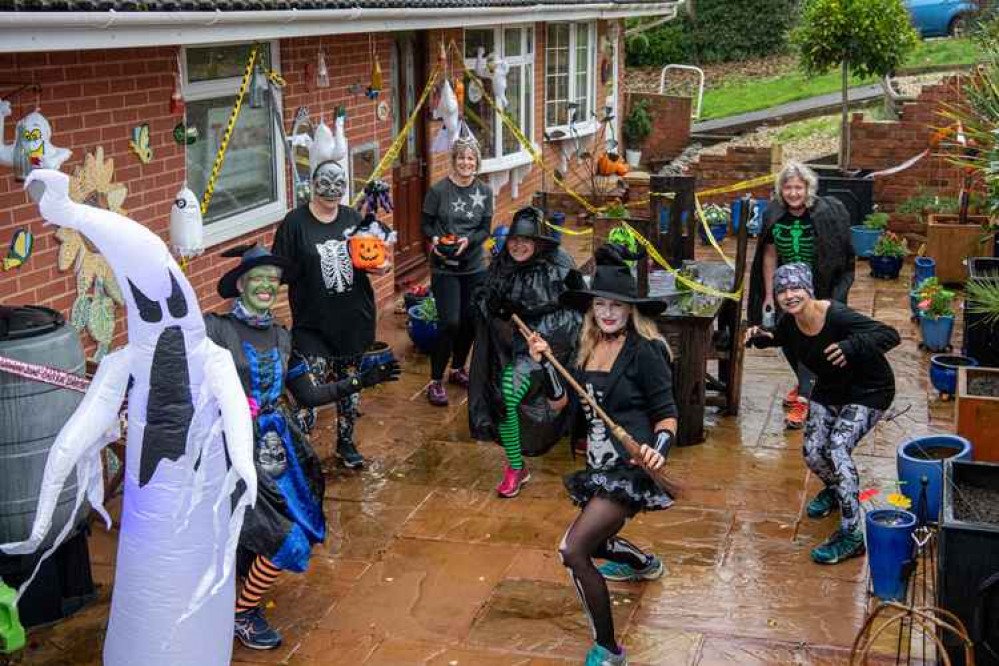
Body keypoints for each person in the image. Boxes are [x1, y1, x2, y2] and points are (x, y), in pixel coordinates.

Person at [206, 245, 401, 649]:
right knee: (282, 536)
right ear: (240, 285)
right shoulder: (215, 330)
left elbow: (307, 395)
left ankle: (240, 593)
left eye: (272, 280)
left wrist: (360, 382)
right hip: (233, 446)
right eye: (257, 279)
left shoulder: (281, 335)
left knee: (294, 521)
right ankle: (242, 613)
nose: (266, 286)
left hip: (281, 443)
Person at [528, 246, 678, 666]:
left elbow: (668, 417)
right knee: (597, 542)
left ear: (631, 310)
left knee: (573, 550)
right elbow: (561, 404)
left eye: (616, 306)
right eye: (600, 305)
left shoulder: (645, 351)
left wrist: (656, 450)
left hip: (630, 469)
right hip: (596, 466)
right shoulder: (586, 348)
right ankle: (643, 564)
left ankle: (609, 650)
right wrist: (545, 365)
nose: (608, 313)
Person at [745, 263, 900, 565]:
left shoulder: (837, 315)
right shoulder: (791, 322)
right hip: (831, 388)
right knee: (813, 453)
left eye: (795, 288)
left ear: (809, 289)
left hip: (869, 389)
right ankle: (836, 488)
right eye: (782, 291)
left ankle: (852, 535)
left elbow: (889, 334)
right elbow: (782, 335)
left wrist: (850, 346)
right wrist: (762, 337)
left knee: (838, 446)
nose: (789, 295)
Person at [272, 157, 383, 469]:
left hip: (354, 321)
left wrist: (379, 267)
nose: (332, 190)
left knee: (350, 388)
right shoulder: (294, 224)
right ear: (313, 186)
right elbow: (279, 271)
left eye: (339, 184)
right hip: (312, 326)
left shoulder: (352, 218)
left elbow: (370, 259)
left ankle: (345, 442)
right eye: (325, 183)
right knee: (310, 394)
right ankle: (298, 454)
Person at [468, 206, 582, 498]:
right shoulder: (501, 264)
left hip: (548, 346)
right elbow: (485, 298)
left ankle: (572, 431)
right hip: (511, 349)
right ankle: (515, 466)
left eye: (526, 240)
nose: (518, 245)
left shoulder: (559, 265)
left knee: (535, 396)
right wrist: (493, 307)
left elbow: (579, 307)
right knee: (505, 397)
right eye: (514, 239)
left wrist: (544, 335)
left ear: (539, 242)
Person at [747, 161, 855, 429]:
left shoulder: (825, 213)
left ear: (808, 188)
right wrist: (769, 293)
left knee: (810, 339)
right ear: (780, 189)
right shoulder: (773, 213)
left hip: (817, 287)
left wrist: (832, 293)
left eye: (798, 187)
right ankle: (806, 383)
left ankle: (806, 400)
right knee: (787, 338)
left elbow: (839, 252)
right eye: (788, 187)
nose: (793, 193)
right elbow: (769, 253)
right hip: (786, 288)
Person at [421, 133, 494, 406]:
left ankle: (457, 369)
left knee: (471, 320)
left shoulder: (485, 191)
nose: (466, 162)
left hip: (474, 265)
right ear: (454, 161)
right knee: (449, 322)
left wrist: (469, 241)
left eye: (471, 157)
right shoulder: (438, 191)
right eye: (461, 157)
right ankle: (435, 380)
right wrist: (437, 241)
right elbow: (426, 226)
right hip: (445, 266)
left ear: (477, 162)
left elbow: (485, 228)